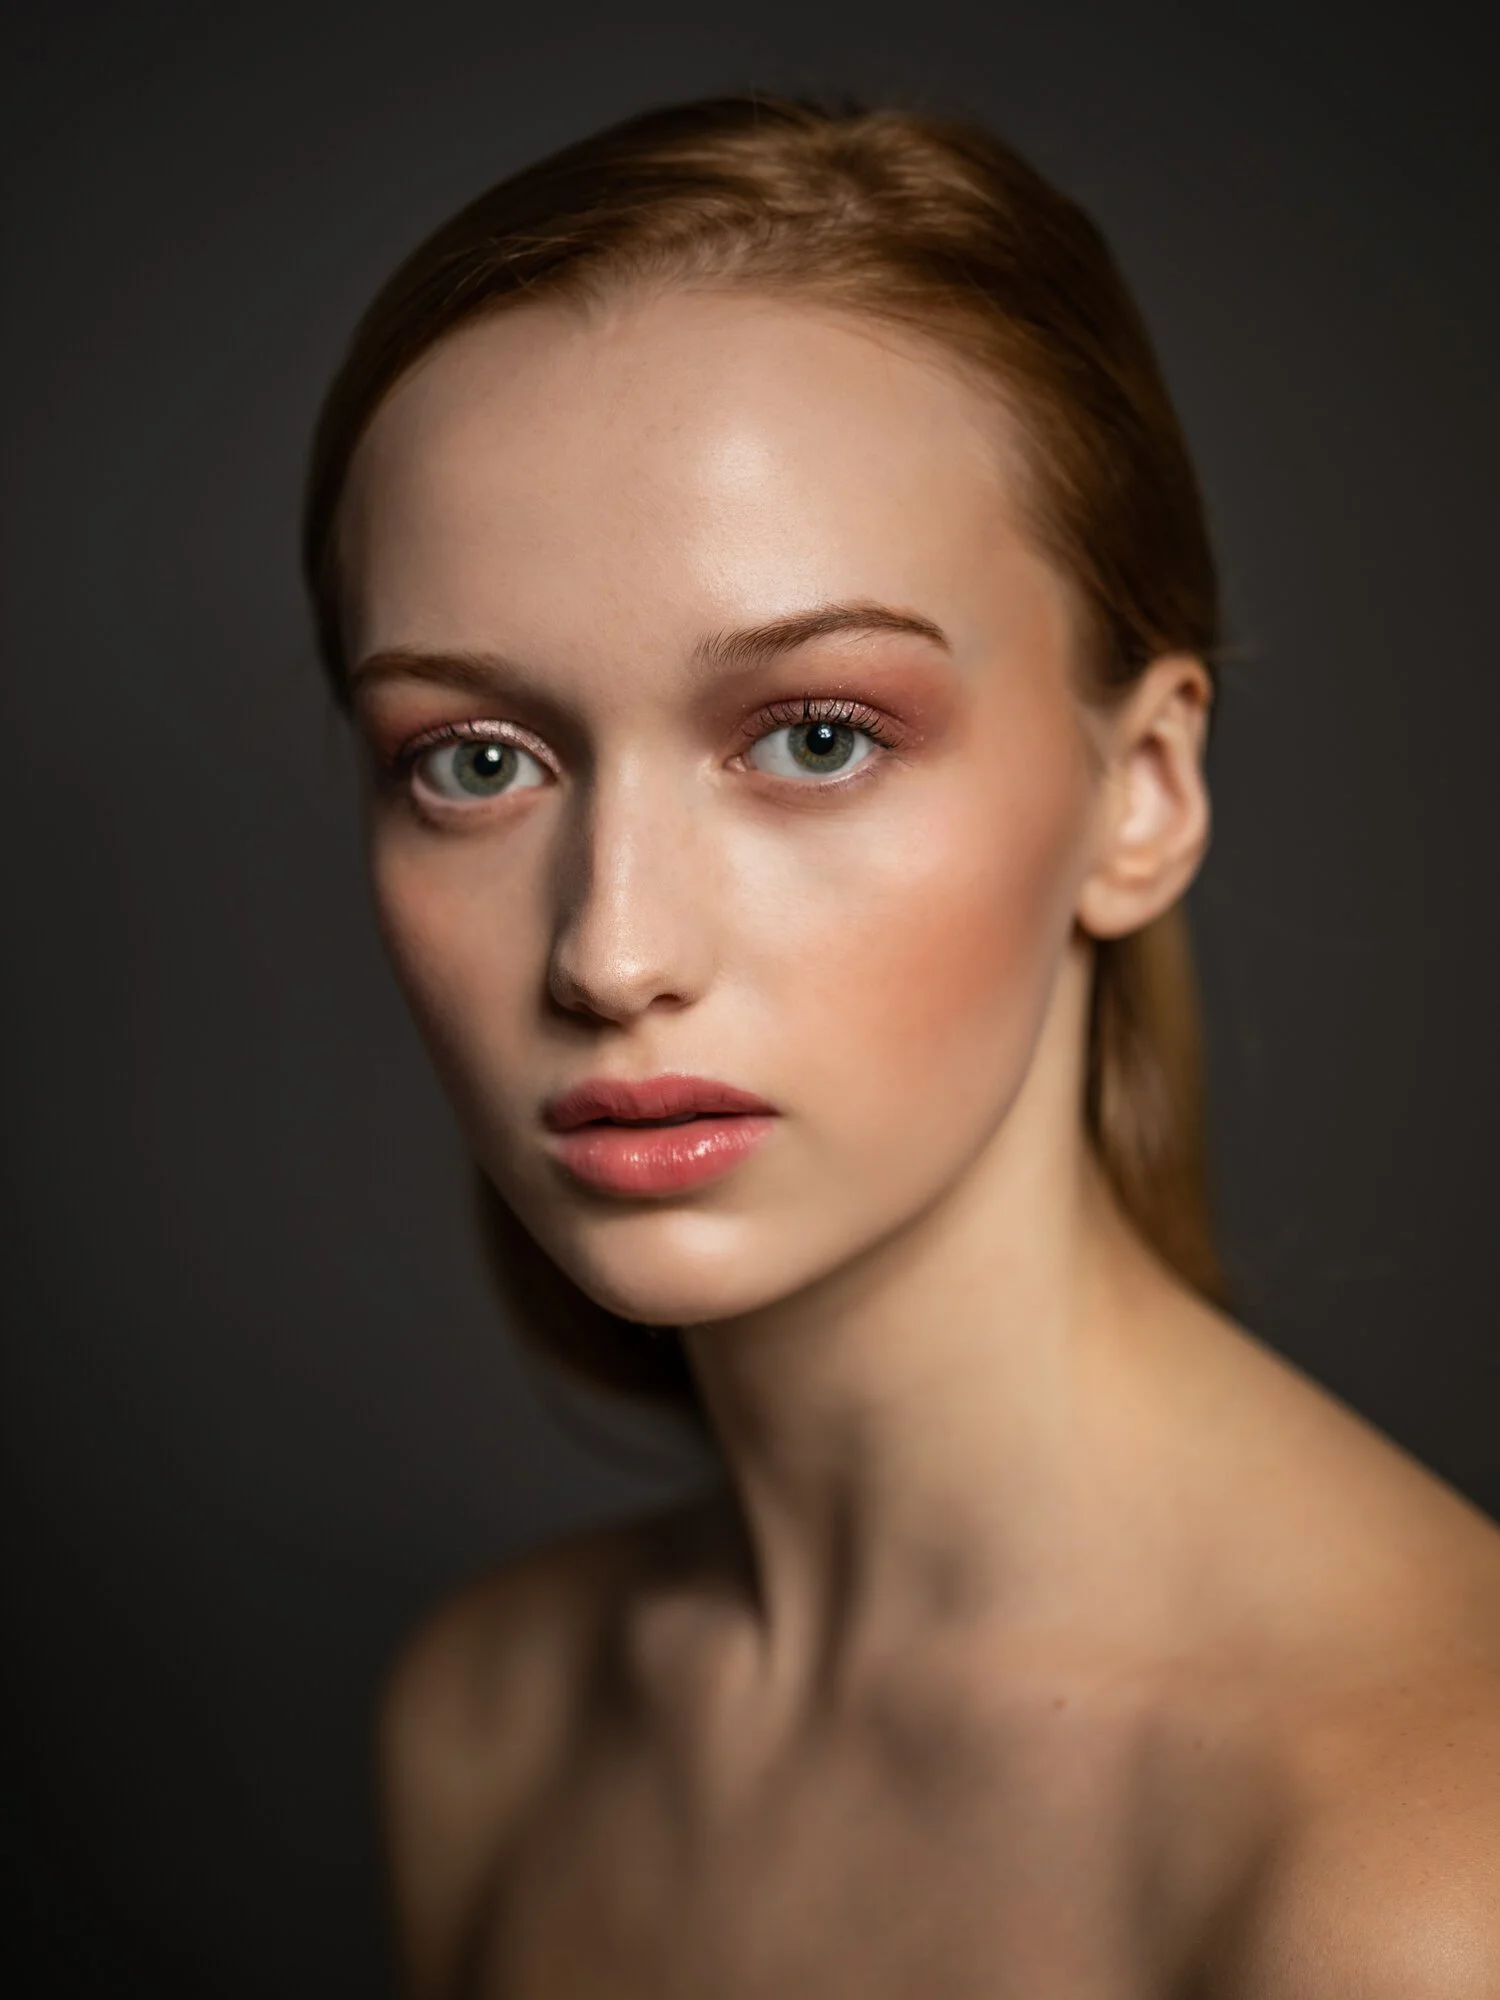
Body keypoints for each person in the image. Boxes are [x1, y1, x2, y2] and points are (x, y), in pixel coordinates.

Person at [301, 93, 1500, 1997]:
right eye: (476, 761)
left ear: (1145, 794)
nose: (613, 951)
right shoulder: (487, 1730)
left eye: (818, 736)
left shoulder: (1422, 1867)